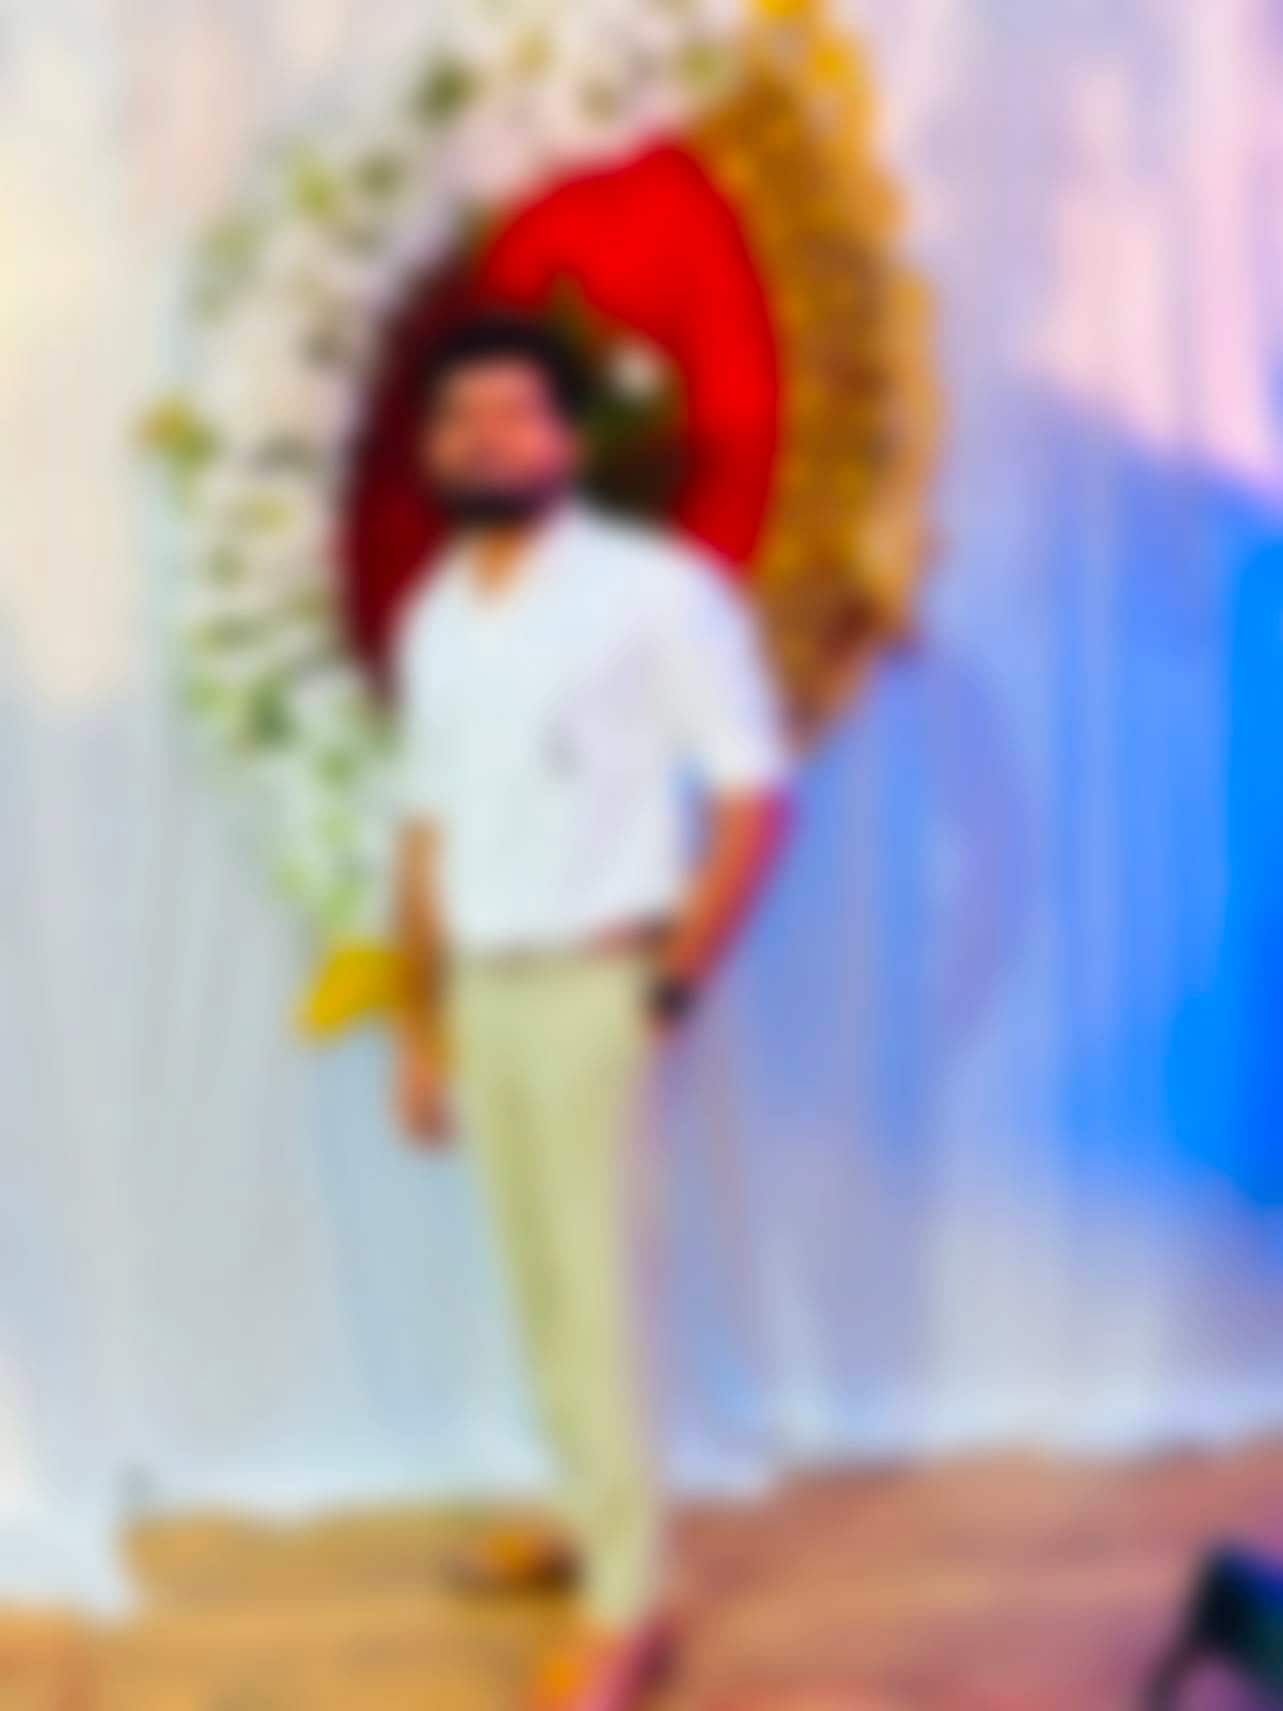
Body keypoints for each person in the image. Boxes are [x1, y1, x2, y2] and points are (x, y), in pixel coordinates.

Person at [391, 313, 793, 1711]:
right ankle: (583, 1517)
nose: (485, 438)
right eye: (459, 417)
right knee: (537, 1282)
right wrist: (421, 1023)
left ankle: (631, 1607)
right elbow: (426, 829)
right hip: (482, 989)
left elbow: (755, 795)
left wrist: (672, 981)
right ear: (431, 447)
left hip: (596, 985)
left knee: (603, 1294)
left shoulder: (656, 592)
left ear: (568, 439)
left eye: (515, 412)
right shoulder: (436, 614)